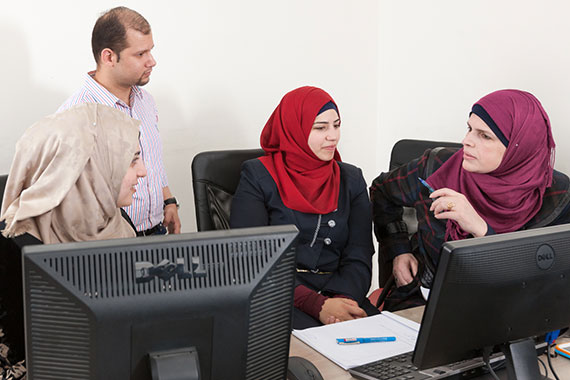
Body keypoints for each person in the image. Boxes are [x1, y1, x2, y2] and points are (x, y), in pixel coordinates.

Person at [370, 89, 570, 310]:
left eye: (484, 136)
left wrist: (481, 229)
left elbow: (541, 281)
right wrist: (398, 250)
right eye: (469, 129)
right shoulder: (436, 167)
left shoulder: (556, 197)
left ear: (519, 147)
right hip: (423, 304)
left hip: (508, 314)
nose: (466, 141)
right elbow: (381, 191)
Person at [0, 103, 147, 374]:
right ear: (86, 168)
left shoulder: (115, 220)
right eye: (132, 160)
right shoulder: (16, 248)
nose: (144, 172)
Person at [230, 86, 378, 329]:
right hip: (279, 298)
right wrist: (316, 304)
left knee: (388, 354)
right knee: (308, 361)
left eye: (336, 125)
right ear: (293, 129)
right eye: (320, 127)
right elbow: (251, 260)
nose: (333, 136)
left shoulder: (351, 179)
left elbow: (359, 254)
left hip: (340, 294)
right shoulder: (258, 176)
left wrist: (344, 301)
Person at [58, 6, 181, 236]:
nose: (152, 61)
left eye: (150, 51)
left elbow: (152, 160)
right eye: (140, 54)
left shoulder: (146, 101)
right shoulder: (77, 114)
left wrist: (169, 200)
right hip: (111, 243)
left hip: (156, 231)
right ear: (109, 57)